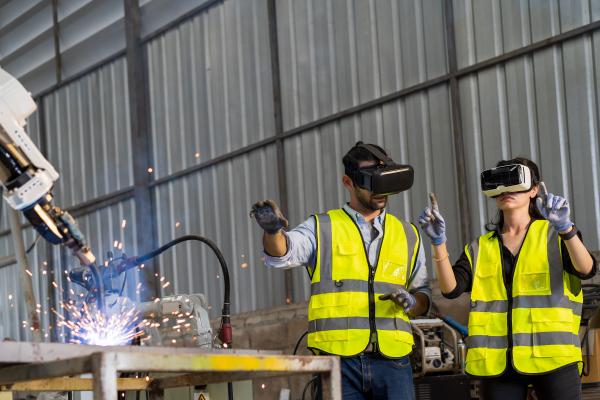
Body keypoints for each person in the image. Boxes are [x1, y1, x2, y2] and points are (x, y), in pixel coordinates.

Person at [250, 142, 431, 400]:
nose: (380, 189)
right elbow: (283, 253)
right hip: (338, 363)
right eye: (371, 180)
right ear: (348, 182)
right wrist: (272, 231)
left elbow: (423, 298)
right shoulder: (322, 227)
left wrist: (412, 302)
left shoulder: (408, 234)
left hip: (393, 363)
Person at [418, 157, 597, 400]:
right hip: (498, 364)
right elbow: (451, 289)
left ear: (534, 189)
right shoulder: (480, 247)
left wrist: (566, 229)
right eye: (500, 184)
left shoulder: (555, 235)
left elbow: (586, 269)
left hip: (554, 360)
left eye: (515, 182)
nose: (507, 190)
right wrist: (438, 244)